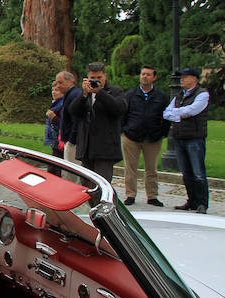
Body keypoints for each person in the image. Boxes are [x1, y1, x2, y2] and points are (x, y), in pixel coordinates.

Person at [67, 61, 127, 183]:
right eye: (92, 78)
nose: (95, 81)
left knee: (101, 184)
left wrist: (100, 93)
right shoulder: (85, 94)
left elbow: (119, 109)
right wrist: (84, 95)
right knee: (85, 184)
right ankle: (91, 203)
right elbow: (73, 111)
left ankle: (102, 202)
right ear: (87, 78)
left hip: (105, 148)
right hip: (87, 147)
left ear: (105, 76)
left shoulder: (115, 92)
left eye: (99, 77)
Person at [121, 66, 170, 206]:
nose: (145, 77)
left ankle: (152, 196)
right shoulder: (131, 95)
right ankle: (130, 194)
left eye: (148, 74)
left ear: (154, 77)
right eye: (143, 74)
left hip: (153, 137)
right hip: (131, 136)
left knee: (151, 168)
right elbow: (123, 113)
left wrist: (162, 133)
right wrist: (123, 130)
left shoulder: (161, 96)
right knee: (130, 168)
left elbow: (166, 117)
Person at [163, 67, 210, 213]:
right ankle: (192, 201)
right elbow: (166, 113)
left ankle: (202, 203)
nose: (181, 79)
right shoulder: (179, 96)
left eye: (185, 77)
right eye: (181, 77)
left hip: (195, 138)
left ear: (194, 79)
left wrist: (177, 114)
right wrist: (181, 114)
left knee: (198, 173)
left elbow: (193, 110)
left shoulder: (202, 94)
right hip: (180, 137)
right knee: (186, 173)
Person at [54, 70, 83, 182]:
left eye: (60, 83)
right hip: (71, 139)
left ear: (70, 81)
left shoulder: (74, 95)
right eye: (57, 83)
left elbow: (76, 120)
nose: (58, 86)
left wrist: (71, 140)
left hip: (73, 142)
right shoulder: (70, 94)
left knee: (71, 173)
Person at [43, 84, 64, 175]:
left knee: (56, 163)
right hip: (54, 138)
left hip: (59, 139)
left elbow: (64, 123)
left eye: (56, 90)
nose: (53, 92)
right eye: (53, 90)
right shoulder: (56, 103)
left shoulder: (62, 104)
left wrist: (53, 117)